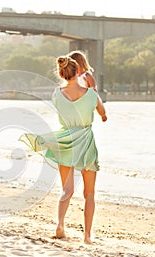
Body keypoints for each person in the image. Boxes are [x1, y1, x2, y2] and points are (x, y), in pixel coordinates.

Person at [19, 55, 107, 244]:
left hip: (65, 142)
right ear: (78, 71)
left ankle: (60, 225)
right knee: (89, 194)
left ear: (61, 73)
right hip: (85, 142)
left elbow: (63, 109)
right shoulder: (92, 94)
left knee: (67, 191)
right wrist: (98, 109)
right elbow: (103, 114)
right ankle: (87, 236)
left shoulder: (56, 94)